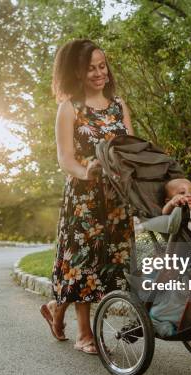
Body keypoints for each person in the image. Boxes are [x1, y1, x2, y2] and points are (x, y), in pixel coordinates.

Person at [39, 39, 135, 354]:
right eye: (91, 68)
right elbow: (65, 158)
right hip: (83, 197)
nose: (98, 73)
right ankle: (84, 334)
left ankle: (57, 307)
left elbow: (131, 149)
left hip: (116, 196)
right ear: (77, 73)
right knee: (84, 263)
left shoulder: (119, 105)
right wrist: (87, 171)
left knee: (113, 261)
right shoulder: (69, 108)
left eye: (102, 66)